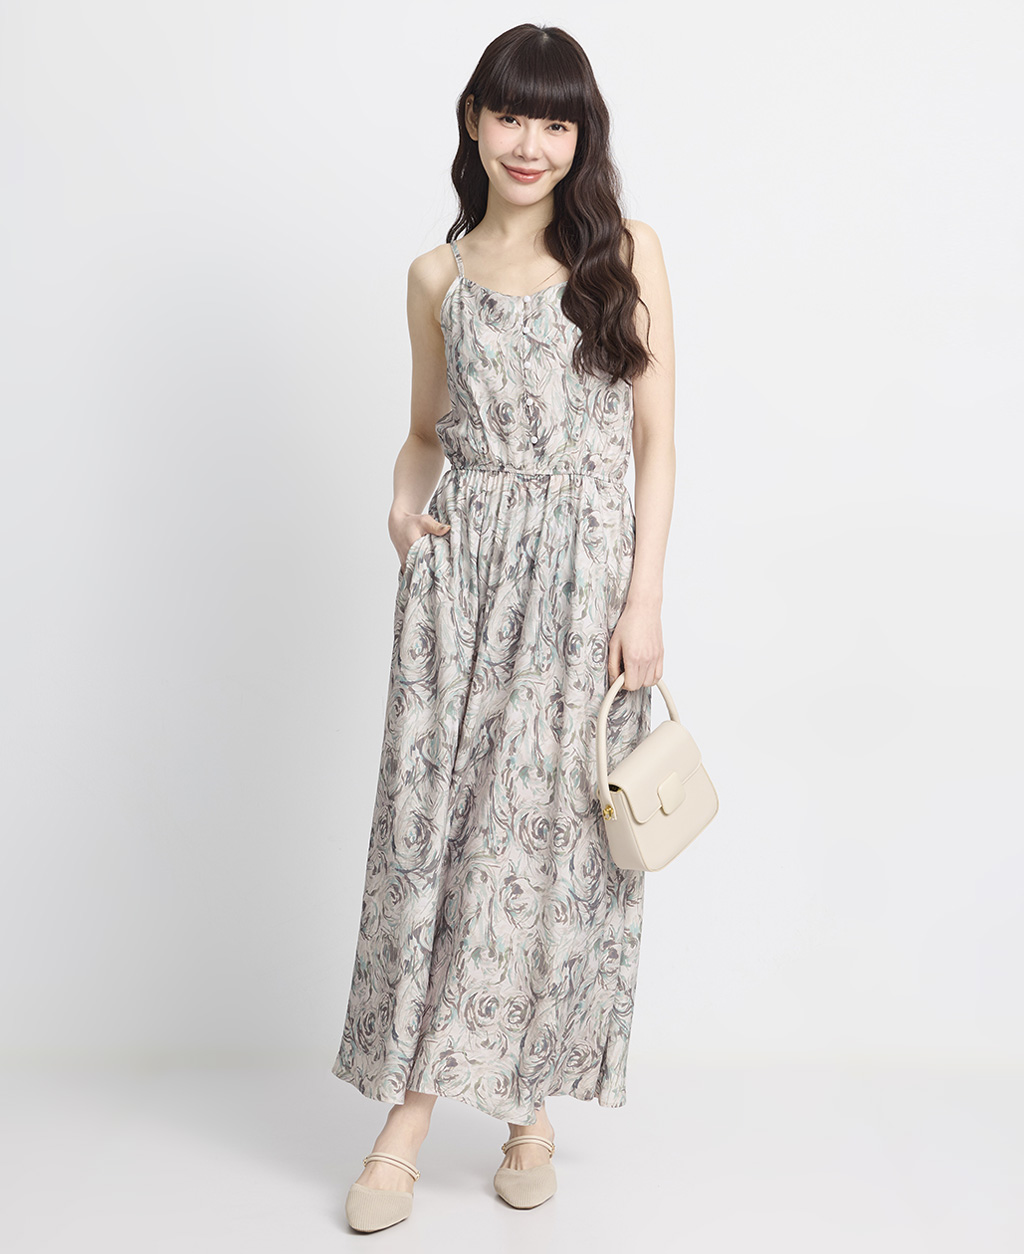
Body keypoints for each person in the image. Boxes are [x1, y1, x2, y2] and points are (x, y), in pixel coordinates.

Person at [332, 22, 675, 1232]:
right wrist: (399, 503)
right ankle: (445, 1114)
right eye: (512, 114)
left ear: (581, 137)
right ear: (474, 122)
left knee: (548, 847)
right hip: (460, 584)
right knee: (440, 835)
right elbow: (422, 432)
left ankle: (496, 1113)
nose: (531, 143)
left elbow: (655, 439)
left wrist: (643, 600)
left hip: (580, 589)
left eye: (556, 121)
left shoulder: (623, 252)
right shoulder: (435, 277)